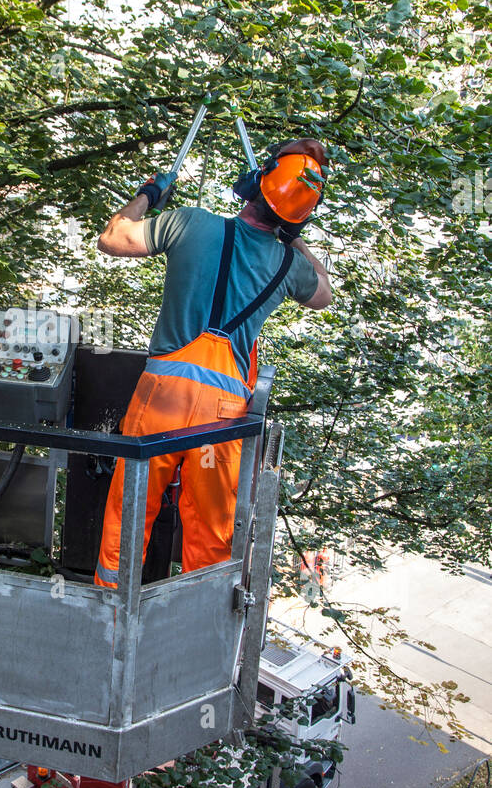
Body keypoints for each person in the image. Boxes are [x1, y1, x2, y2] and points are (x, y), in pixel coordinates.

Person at [92, 137, 332, 589]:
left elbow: (112, 237)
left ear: (255, 184)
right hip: (222, 420)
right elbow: (324, 290)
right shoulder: (286, 265)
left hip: (160, 401)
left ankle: (109, 610)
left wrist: (148, 193)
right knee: (209, 534)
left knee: (130, 512)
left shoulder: (191, 224)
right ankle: (196, 631)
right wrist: (292, 234)